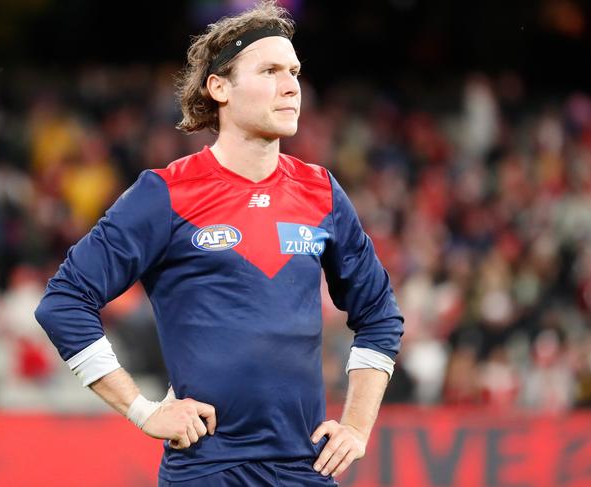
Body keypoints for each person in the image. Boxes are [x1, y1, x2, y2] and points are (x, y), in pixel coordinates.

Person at [34, 1, 404, 485]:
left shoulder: (321, 191)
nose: (292, 85)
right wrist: (143, 410)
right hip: (207, 470)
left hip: (305, 468)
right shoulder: (164, 194)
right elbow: (63, 302)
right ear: (219, 87)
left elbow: (379, 314)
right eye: (270, 70)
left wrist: (356, 426)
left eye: (294, 71)